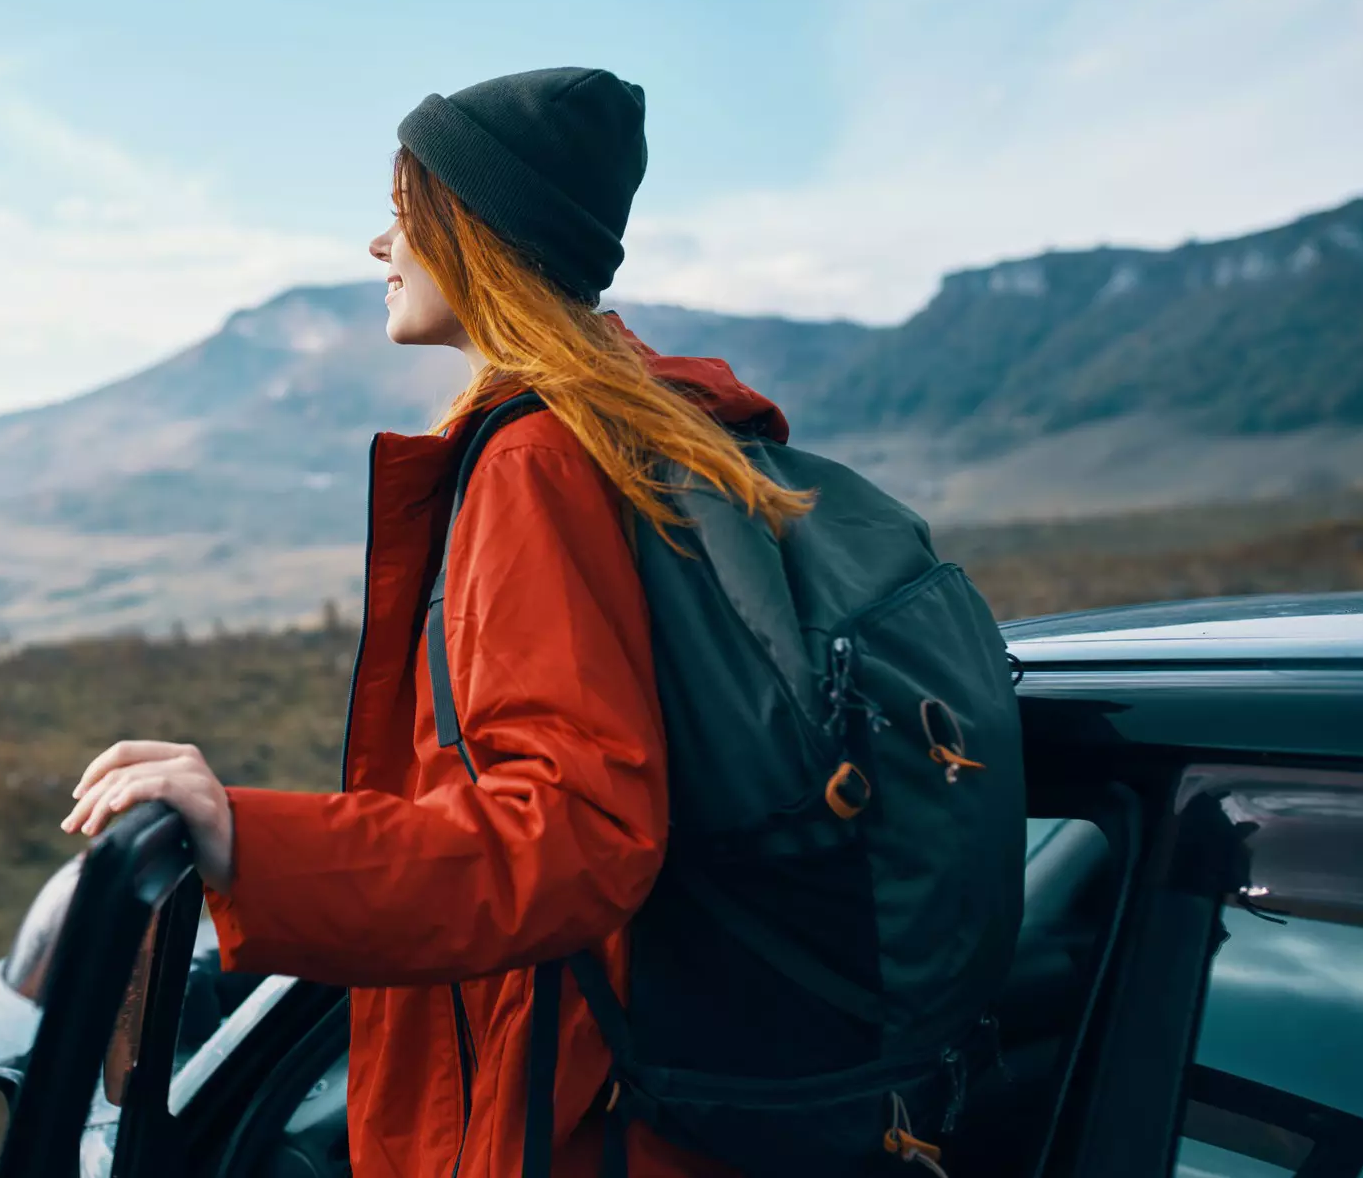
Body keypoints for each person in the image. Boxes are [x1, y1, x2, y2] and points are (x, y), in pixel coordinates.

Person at [62, 67, 813, 1178]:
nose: (379, 245)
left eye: (404, 214)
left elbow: (571, 831)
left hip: (569, 1116)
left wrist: (239, 833)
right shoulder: (654, 435)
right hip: (667, 1092)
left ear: (476, 234)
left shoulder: (538, 459)